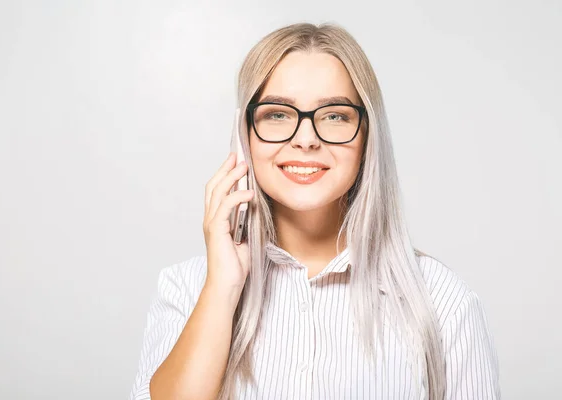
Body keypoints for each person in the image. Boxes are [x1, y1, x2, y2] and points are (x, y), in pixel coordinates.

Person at [128, 22, 500, 400]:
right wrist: (223, 288)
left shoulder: (443, 302)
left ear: (367, 137)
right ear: (244, 136)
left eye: (335, 116)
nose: (305, 140)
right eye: (278, 114)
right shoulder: (187, 288)